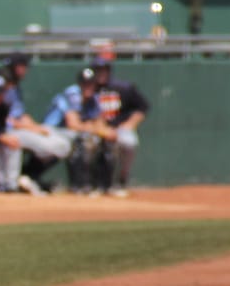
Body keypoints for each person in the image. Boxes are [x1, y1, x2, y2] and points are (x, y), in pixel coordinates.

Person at [0, 53, 69, 195]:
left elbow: (20, 114)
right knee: (53, 145)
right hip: (8, 131)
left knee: (61, 142)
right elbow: (6, 119)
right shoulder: (3, 85)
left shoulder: (15, 87)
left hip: (21, 129)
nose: (25, 70)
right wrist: (31, 128)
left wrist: (36, 127)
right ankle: (21, 179)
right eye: (23, 66)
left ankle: (29, 175)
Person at [42, 66, 114, 194]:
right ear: (80, 83)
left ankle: (103, 185)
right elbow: (73, 124)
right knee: (81, 138)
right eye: (85, 83)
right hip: (51, 130)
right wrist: (97, 129)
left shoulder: (94, 97)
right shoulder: (73, 94)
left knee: (104, 140)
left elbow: (99, 121)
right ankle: (78, 184)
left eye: (91, 83)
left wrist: (105, 131)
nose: (88, 86)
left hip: (69, 133)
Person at [91, 57, 151, 197]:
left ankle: (121, 179)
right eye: (98, 70)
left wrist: (130, 124)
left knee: (130, 142)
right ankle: (94, 183)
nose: (101, 73)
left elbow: (143, 107)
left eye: (104, 70)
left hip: (119, 128)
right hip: (98, 129)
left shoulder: (123, 88)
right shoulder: (89, 88)